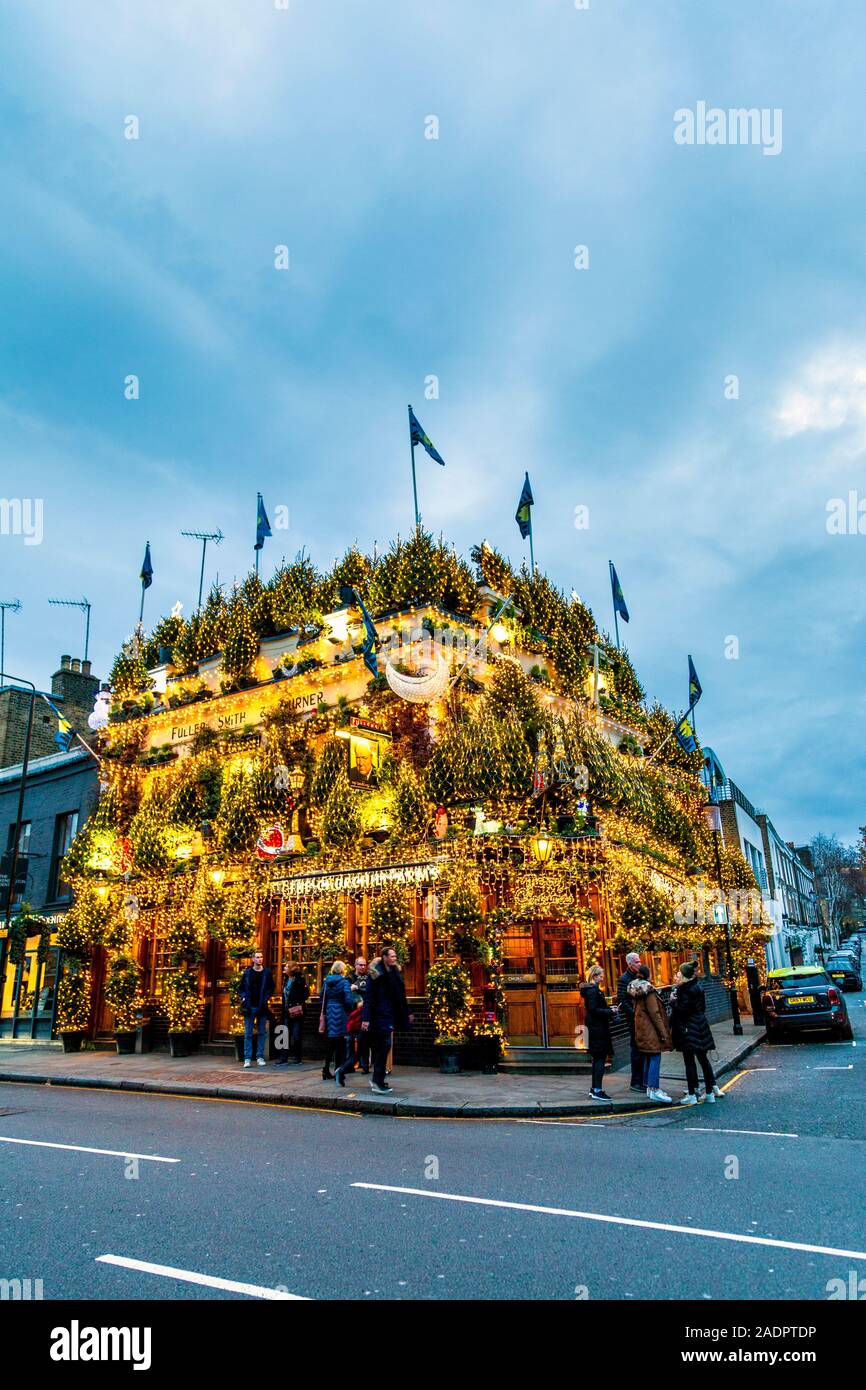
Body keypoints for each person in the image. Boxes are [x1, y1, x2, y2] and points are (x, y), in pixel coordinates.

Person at [669, 960, 725, 1105]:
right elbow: (702, 1008)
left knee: (689, 1062)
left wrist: (673, 1002)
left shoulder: (683, 990)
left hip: (688, 1028)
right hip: (701, 1026)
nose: (678, 974)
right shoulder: (698, 987)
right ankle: (709, 1093)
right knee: (704, 1060)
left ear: (684, 975)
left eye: (679, 972)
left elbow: (682, 1010)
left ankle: (692, 1095)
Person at [360, 947, 413, 1094]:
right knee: (384, 1045)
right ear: (384, 957)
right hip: (378, 1015)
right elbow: (369, 998)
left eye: (395, 956)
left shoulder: (395, 972)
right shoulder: (375, 974)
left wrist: (407, 1012)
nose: (394, 958)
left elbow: (400, 995)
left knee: (384, 1047)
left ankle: (378, 1079)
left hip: (390, 1014)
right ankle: (377, 1081)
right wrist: (366, 1018)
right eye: (392, 956)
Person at [628, 964, 674, 1103]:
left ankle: (649, 1087)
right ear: (648, 975)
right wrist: (664, 1032)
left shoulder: (635, 989)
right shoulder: (648, 991)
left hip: (642, 1030)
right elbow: (655, 1014)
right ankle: (654, 1089)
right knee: (655, 1056)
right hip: (650, 1030)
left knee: (648, 1056)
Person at [579, 965, 614, 1102]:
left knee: (598, 1059)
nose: (602, 978)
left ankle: (595, 1088)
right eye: (600, 976)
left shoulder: (591, 990)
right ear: (594, 976)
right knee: (599, 1059)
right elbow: (593, 1009)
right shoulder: (593, 990)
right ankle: (597, 1090)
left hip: (596, 1028)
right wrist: (610, 1012)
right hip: (597, 1029)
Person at [238, 950, 275, 1068]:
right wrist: (244, 997)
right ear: (253, 959)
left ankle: (259, 1057)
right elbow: (241, 988)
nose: (260, 959)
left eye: (261, 957)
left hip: (262, 1006)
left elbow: (271, 987)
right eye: (257, 957)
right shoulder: (248, 973)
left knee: (261, 1033)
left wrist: (266, 998)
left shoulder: (267, 972)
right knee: (248, 1033)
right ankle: (247, 1058)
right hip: (249, 1006)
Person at [319, 960, 355, 1080]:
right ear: (342, 970)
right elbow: (348, 1000)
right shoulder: (344, 982)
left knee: (331, 1042)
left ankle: (325, 1069)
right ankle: (338, 1070)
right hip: (341, 1013)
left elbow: (321, 997)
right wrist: (350, 1009)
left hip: (329, 1012)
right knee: (340, 1043)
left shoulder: (326, 982)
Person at [617, 951, 645, 1092]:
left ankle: (642, 1080)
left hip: (641, 1019)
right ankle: (636, 1082)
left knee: (643, 1049)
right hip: (633, 1020)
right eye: (637, 962)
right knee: (636, 1050)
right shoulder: (624, 979)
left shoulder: (639, 976)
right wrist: (634, 1014)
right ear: (630, 964)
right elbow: (622, 998)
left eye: (639, 961)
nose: (640, 963)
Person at [276, 961, 309, 1065]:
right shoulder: (286, 980)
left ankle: (297, 1057)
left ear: (291, 969)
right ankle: (283, 1058)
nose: (284, 968)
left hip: (296, 1012)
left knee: (296, 1035)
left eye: (286, 967)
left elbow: (306, 994)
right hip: (286, 1011)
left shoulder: (300, 980)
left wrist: (297, 1002)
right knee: (284, 1035)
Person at [334, 996, 365, 1086]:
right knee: (357, 1055)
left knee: (356, 1055)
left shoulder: (360, 1009)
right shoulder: (364, 1008)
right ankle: (341, 1070)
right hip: (359, 1031)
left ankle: (341, 1070)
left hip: (354, 1032)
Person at [347, 956, 370, 1073]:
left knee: (363, 1039)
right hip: (352, 1012)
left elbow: (369, 993)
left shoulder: (368, 977)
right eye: (360, 965)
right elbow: (346, 992)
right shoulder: (350, 978)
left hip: (364, 1012)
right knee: (351, 1040)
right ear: (355, 965)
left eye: (364, 965)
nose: (362, 967)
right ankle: (350, 1065)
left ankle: (364, 1064)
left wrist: (358, 989)